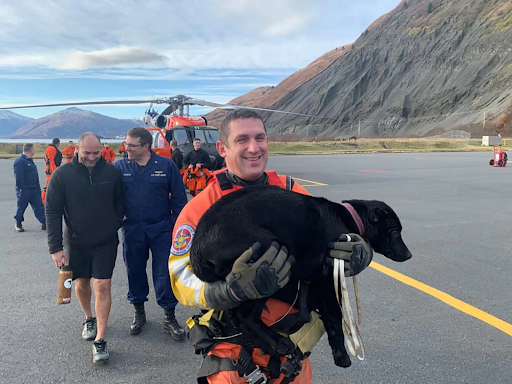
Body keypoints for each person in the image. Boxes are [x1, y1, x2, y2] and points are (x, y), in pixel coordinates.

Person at [168, 109, 373, 383]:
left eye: (260, 138)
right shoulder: (200, 208)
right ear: (222, 148)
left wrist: (358, 251)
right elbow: (180, 279)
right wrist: (227, 291)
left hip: (294, 356)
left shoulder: (291, 192)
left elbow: (328, 238)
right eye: (242, 140)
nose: (254, 148)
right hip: (235, 361)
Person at [45, 132, 124, 364]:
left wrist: (113, 224)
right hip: (75, 242)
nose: (91, 157)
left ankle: (100, 339)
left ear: (102, 150)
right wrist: (55, 247)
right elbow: (52, 212)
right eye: (87, 152)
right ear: (76, 150)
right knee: (81, 282)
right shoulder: (62, 175)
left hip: (106, 241)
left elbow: (120, 203)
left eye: (96, 152)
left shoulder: (111, 173)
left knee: (102, 285)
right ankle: (88, 317)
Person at [114, 127, 188, 339]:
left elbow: (180, 201)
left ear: (146, 146)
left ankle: (169, 317)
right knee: (134, 271)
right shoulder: (120, 167)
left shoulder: (166, 166)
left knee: (164, 274)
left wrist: (174, 227)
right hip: (132, 230)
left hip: (161, 230)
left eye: (131, 145)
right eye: (126, 144)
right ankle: (139, 313)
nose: (126, 148)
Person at [13, 143, 46, 232]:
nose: (34, 151)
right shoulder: (20, 161)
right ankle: (18, 223)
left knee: (39, 206)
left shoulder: (30, 160)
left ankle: (44, 222)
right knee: (21, 207)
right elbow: (19, 177)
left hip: (34, 189)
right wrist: (22, 189)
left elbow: (35, 176)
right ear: (30, 150)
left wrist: (37, 188)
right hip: (25, 189)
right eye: (33, 149)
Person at [42, 138, 62, 204]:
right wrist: (54, 171)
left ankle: (48, 200)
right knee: (48, 187)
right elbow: (51, 161)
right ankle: (43, 201)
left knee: (51, 187)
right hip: (51, 172)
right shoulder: (51, 149)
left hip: (51, 170)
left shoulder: (51, 148)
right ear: (58, 143)